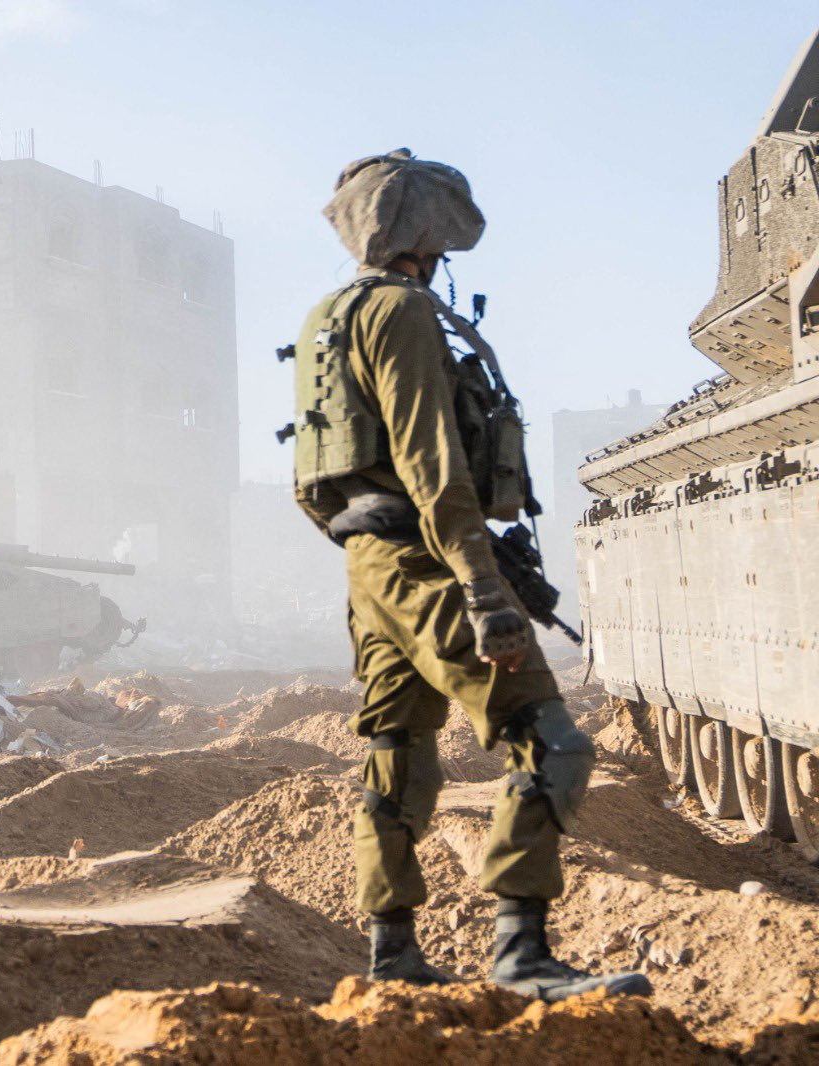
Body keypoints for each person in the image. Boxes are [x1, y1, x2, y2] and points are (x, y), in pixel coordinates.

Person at [288, 149, 650, 1003]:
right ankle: (520, 954)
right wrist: (485, 591)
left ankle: (392, 956)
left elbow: (312, 482)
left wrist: (367, 554)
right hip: (427, 555)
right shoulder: (404, 314)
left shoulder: (323, 320)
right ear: (423, 234)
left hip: (371, 566)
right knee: (551, 742)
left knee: (397, 755)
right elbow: (432, 465)